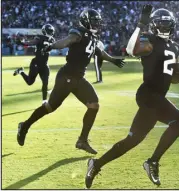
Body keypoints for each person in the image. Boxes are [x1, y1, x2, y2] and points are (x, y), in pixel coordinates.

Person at [85, 5, 179, 188]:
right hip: (147, 94)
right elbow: (130, 49)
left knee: (132, 140)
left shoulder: (175, 46)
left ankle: (95, 164)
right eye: (162, 24)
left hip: (157, 97)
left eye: (168, 25)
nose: (165, 28)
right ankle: (152, 162)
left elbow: (169, 77)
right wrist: (140, 24)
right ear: (154, 25)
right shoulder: (149, 39)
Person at [17, 9, 125, 155]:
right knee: (50, 107)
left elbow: (99, 52)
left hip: (79, 78)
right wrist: (51, 46)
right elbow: (68, 41)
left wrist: (114, 60)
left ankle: (82, 140)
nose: (97, 24)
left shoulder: (92, 37)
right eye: (94, 21)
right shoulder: (79, 32)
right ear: (86, 20)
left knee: (93, 105)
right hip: (66, 76)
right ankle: (25, 125)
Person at [13, 24, 55, 102]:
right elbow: (31, 43)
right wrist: (22, 43)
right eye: (50, 31)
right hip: (36, 63)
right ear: (45, 31)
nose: (51, 32)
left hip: (44, 65)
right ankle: (21, 71)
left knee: (45, 83)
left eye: (51, 31)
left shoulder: (52, 40)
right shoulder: (40, 37)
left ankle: (44, 101)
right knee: (30, 82)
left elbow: (52, 47)